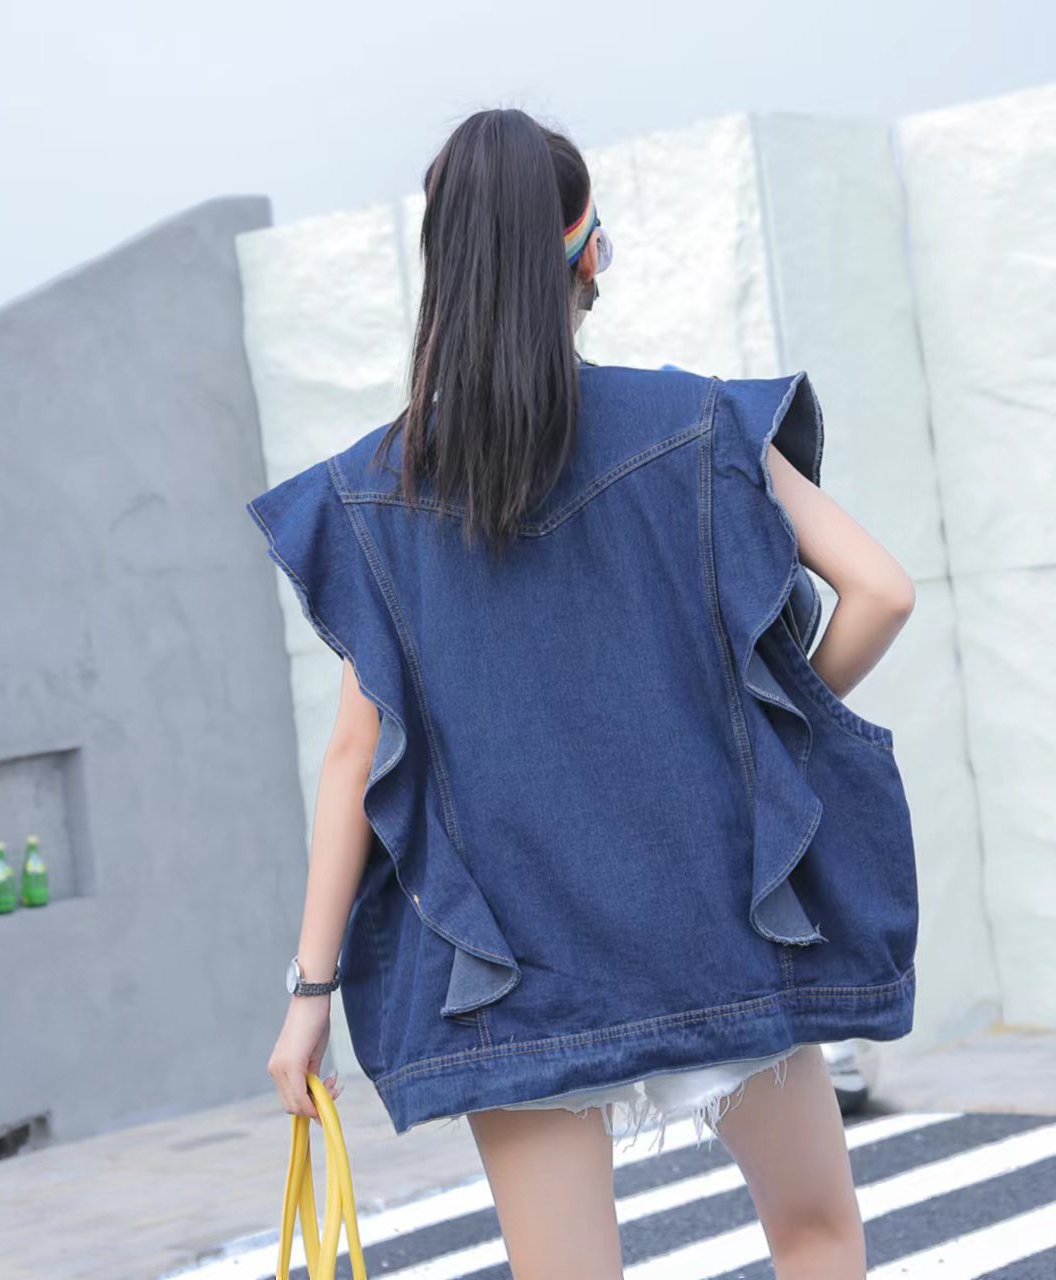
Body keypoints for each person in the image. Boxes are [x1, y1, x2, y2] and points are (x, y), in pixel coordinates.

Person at [252, 106, 917, 1280]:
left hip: (518, 960)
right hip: (721, 913)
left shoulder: (374, 496)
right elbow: (878, 592)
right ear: (589, 251)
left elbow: (355, 760)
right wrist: (761, 733)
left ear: (444, 265)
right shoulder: (697, 425)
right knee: (814, 1234)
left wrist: (309, 995)